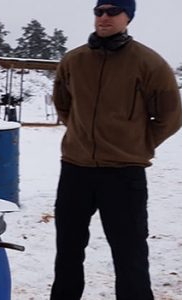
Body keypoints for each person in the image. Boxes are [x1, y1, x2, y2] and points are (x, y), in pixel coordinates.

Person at [51, 0, 182, 299]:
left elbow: (170, 116)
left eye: (113, 12)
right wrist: (81, 135)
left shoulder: (149, 63)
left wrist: (136, 144)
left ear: (128, 17)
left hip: (123, 175)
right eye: (99, 11)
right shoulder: (74, 60)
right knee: (68, 253)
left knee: (130, 255)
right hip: (75, 170)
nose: (104, 17)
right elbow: (62, 103)